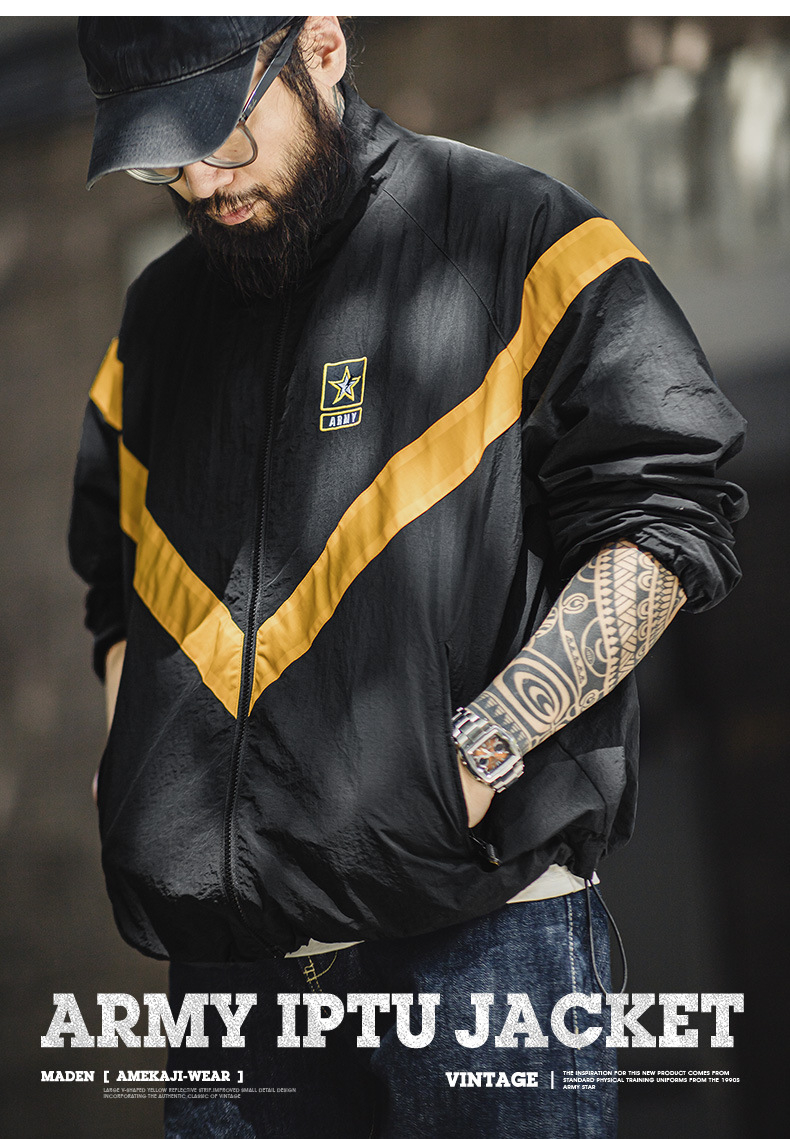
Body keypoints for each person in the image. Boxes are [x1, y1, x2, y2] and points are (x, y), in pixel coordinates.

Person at [70, 15, 747, 1139]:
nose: (200, 182)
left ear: (320, 49)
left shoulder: (519, 236)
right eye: (161, 159)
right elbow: (116, 571)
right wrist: (134, 769)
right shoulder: (156, 321)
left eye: (221, 136)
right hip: (229, 982)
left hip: (481, 946)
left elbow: (668, 512)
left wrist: (477, 753)